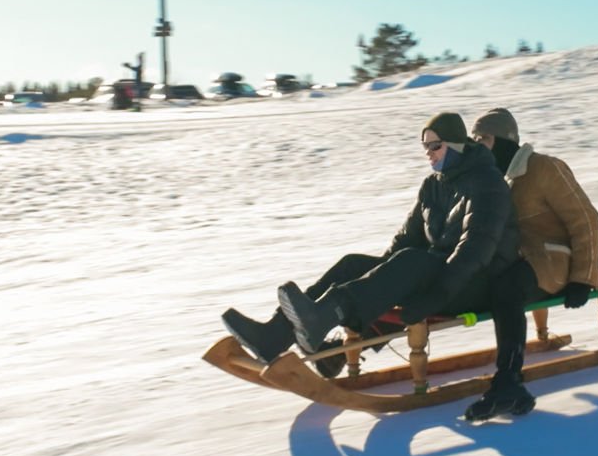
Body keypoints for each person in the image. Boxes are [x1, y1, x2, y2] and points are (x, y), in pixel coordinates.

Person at [221, 112, 519, 375]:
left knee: (414, 260)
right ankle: (274, 335)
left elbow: (475, 250)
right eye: (425, 147)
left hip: (473, 284)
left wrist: (437, 294)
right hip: (435, 276)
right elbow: (406, 239)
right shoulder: (433, 185)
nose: (428, 153)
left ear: (455, 145)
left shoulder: (487, 183)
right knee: (354, 264)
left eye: (435, 146)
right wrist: (379, 274)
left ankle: (326, 316)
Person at [462, 106, 598, 422]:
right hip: (517, 262)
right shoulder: (496, 178)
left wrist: (583, 278)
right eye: (475, 140)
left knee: (506, 289)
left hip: (554, 262)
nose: (477, 146)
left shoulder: (543, 168)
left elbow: (586, 219)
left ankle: (509, 383)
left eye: (483, 139)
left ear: (504, 140)